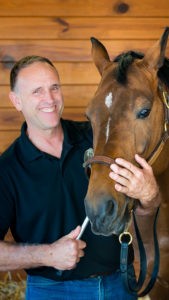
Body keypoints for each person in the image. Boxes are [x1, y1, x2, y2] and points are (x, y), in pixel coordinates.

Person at [0, 56, 160, 300]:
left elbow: (142, 210)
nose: (49, 99)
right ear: (16, 101)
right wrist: (48, 254)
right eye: (37, 91)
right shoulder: (7, 168)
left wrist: (149, 196)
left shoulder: (97, 138)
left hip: (118, 284)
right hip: (51, 292)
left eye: (54, 87)